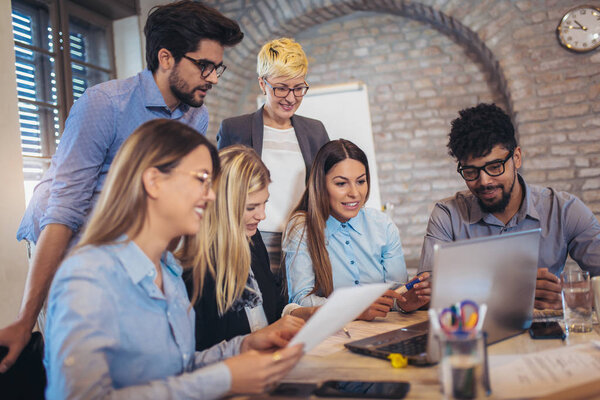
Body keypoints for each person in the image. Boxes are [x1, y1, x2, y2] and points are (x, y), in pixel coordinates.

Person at [1, 0, 243, 373]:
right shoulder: (104, 104)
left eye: (217, 67)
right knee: (82, 366)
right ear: (166, 58)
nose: (212, 77)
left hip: (126, 242)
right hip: (69, 237)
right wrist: (24, 320)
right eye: (204, 65)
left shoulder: (196, 114)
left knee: (141, 361)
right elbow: (63, 211)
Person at [44, 119, 304, 399]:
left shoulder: (168, 272)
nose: (212, 195)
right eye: (202, 179)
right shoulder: (88, 277)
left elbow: (180, 369)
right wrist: (223, 379)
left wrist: (243, 346)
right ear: (154, 182)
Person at [418, 103, 600, 310]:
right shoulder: (447, 215)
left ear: (517, 157)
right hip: (475, 333)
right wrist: (510, 291)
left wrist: (568, 296)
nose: (484, 181)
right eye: (470, 172)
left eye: (495, 167)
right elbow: (426, 294)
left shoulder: (564, 210)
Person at [216, 37, 329, 274]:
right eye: (281, 88)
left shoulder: (315, 131)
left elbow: (324, 187)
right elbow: (220, 190)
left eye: (298, 88)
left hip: (303, 240)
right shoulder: (235, 129)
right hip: (250, 239)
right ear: (262, 84)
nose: (290, 98)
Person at [284, 139, 431, 319]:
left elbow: (394, 294)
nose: (355, 193)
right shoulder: (301, 228)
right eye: (341, 183)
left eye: (360, 181)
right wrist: (356, 309)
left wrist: (405, 301)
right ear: (320, 184)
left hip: (382, 330)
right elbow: (300, 301)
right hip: (333, 334)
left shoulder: (382, 225)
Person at [188, 145, 315, 350]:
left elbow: (273, 305)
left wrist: (302, 313)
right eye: (251, 207)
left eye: (264, 203)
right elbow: (198, 349)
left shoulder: (253, 241)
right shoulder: (196, 264)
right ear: (223, 203)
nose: (262, 216)